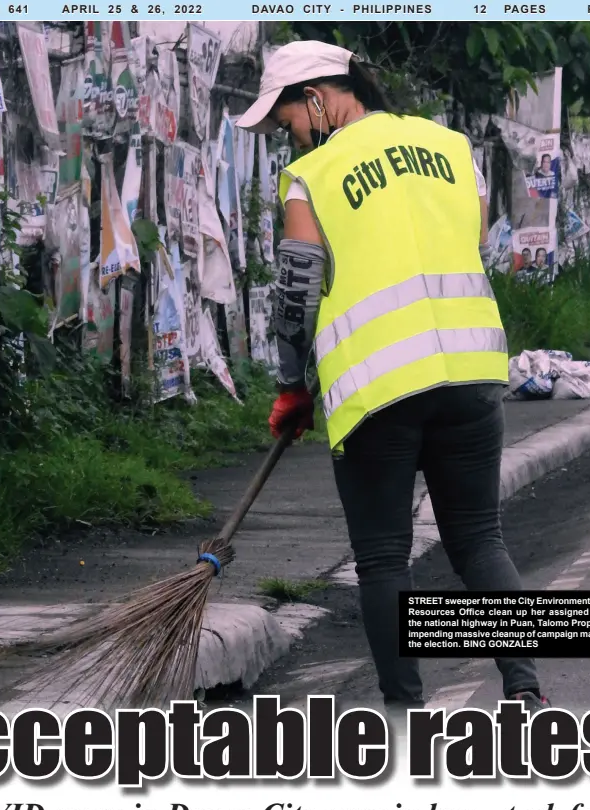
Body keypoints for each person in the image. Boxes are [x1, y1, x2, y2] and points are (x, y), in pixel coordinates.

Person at [236, 40, 551, 714]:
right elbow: (459, 238)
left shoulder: (314, 177)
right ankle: (525, 689)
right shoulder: (447, 146)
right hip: (471, 372)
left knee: (383, 559)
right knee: (479, 541)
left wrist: (293, 387)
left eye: (287, 122)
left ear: (317, 98)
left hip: (379, 387)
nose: (289, 138)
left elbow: (295, 294)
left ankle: (405, 717)